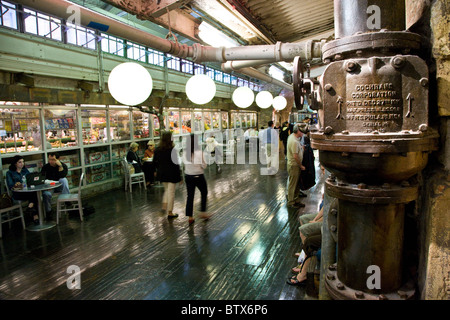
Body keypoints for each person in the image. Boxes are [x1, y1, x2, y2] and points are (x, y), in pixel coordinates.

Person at [183, 134, 211, 225]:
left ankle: (190, 217)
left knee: (190, 196)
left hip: (188, 176)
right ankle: (203, 212)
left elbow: (184, 164)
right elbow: (204, 165)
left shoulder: (184, 152)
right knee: (204, 192)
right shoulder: (199, 152)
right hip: (198, 176)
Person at [153, 131, 182, 218]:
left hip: (162, 173)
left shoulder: (158, 149)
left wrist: (156, 170)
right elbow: (176, 164)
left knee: (167, 190)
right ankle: (170, 212)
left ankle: (164, 207)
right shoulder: (172, 150)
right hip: (172, 174)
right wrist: (180, 176)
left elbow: (154, 162)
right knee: (171, 193)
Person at [5, 155, 39, 225]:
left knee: (35, 193)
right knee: (34, 195)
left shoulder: (25, 170)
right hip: (18, 193)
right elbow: (10, 185)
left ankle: (30, 208)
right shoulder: (10, 173)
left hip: (27, 192)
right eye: (20, 162)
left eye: (23, 162)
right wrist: (16, 184)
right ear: (15, 163)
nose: (22, 163)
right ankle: (34, 215)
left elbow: (30, 179)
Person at [41, 152, 70, 219]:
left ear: (58, 159)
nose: (51, 161)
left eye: (53, 160)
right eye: (49, 159)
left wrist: (60, 166)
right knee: (46, 194)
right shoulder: (45, 167)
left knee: (64, 180)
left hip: (59, 187)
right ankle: (48, 212)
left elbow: (62, 176)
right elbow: (42, 179)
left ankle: (67, 200)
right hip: (49, 187)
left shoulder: (63, 166)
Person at [286, 123, 308, 209]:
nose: (303, 133)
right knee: (293, 184)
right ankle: (291, 202)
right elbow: (295, 156)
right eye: (301, 132)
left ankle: (296, 200)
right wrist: (301, 165)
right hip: (294, 165)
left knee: (296, 184)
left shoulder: (293, 136)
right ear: (298, 131)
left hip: (295, 165)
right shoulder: (294, 141)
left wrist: (301, 148)